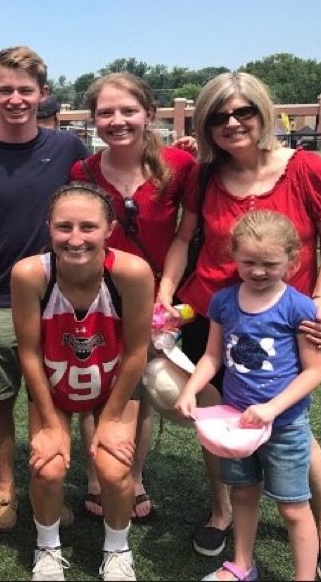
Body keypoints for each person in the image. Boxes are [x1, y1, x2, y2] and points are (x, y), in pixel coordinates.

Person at [157, 71, 321, 582]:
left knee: (291, 427)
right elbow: (183, 239)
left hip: (284, 321)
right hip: (213, 315)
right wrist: (164, 292)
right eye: (218, 116)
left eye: (243, 111)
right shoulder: (204, 174)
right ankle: (223, 511)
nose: (232, 123)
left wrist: (319, 302)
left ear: (263, 112)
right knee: (218, 422)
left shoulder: (306, 168)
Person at [0, 45, 89, 533]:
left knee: (50, 399)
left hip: (57, 297)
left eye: (25, 90)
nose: (15, 99)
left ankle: (45, 483)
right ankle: (5, 484)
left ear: (44, 94)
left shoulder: (69, 149)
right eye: (5, 89)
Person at [66, 72, 200, 524]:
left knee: (137, 387)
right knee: (93, 383)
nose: (117, 120)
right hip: (94, 293)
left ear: (149, 114)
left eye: (128, 110)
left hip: (155, 295)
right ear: (93, 119)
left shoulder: (179, 166)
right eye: (106, 112)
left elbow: (183, 236)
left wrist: (164, 295)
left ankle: (134, 474)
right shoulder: (82, 171)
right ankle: (93, 474)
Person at [11, 182, 153, 581]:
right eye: (64, 227)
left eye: (88, 227)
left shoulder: (131, 273)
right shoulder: (29, 274)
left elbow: (137, 352)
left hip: (114, 382)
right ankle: (47, 547)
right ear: (48, 228)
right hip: (55, 383)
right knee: (48, 467)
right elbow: (29, 354)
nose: (75, 239)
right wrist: (53, 425)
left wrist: (109, 420)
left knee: (112, 468)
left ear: (109, 229)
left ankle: (118, 549)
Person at [175, 209, 321, 582]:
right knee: (242, 495)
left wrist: (271, 409)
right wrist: (191, 388)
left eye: (269, 264)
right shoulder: (223, 301)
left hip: (285, 425)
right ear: (233, 256)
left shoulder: (299, 306)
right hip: (235, 423)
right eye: (249, 262)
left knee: (293, 508)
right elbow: (212, 356)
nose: (258, 271)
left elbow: (314, 371)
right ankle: (242, 566)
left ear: (293, 261)